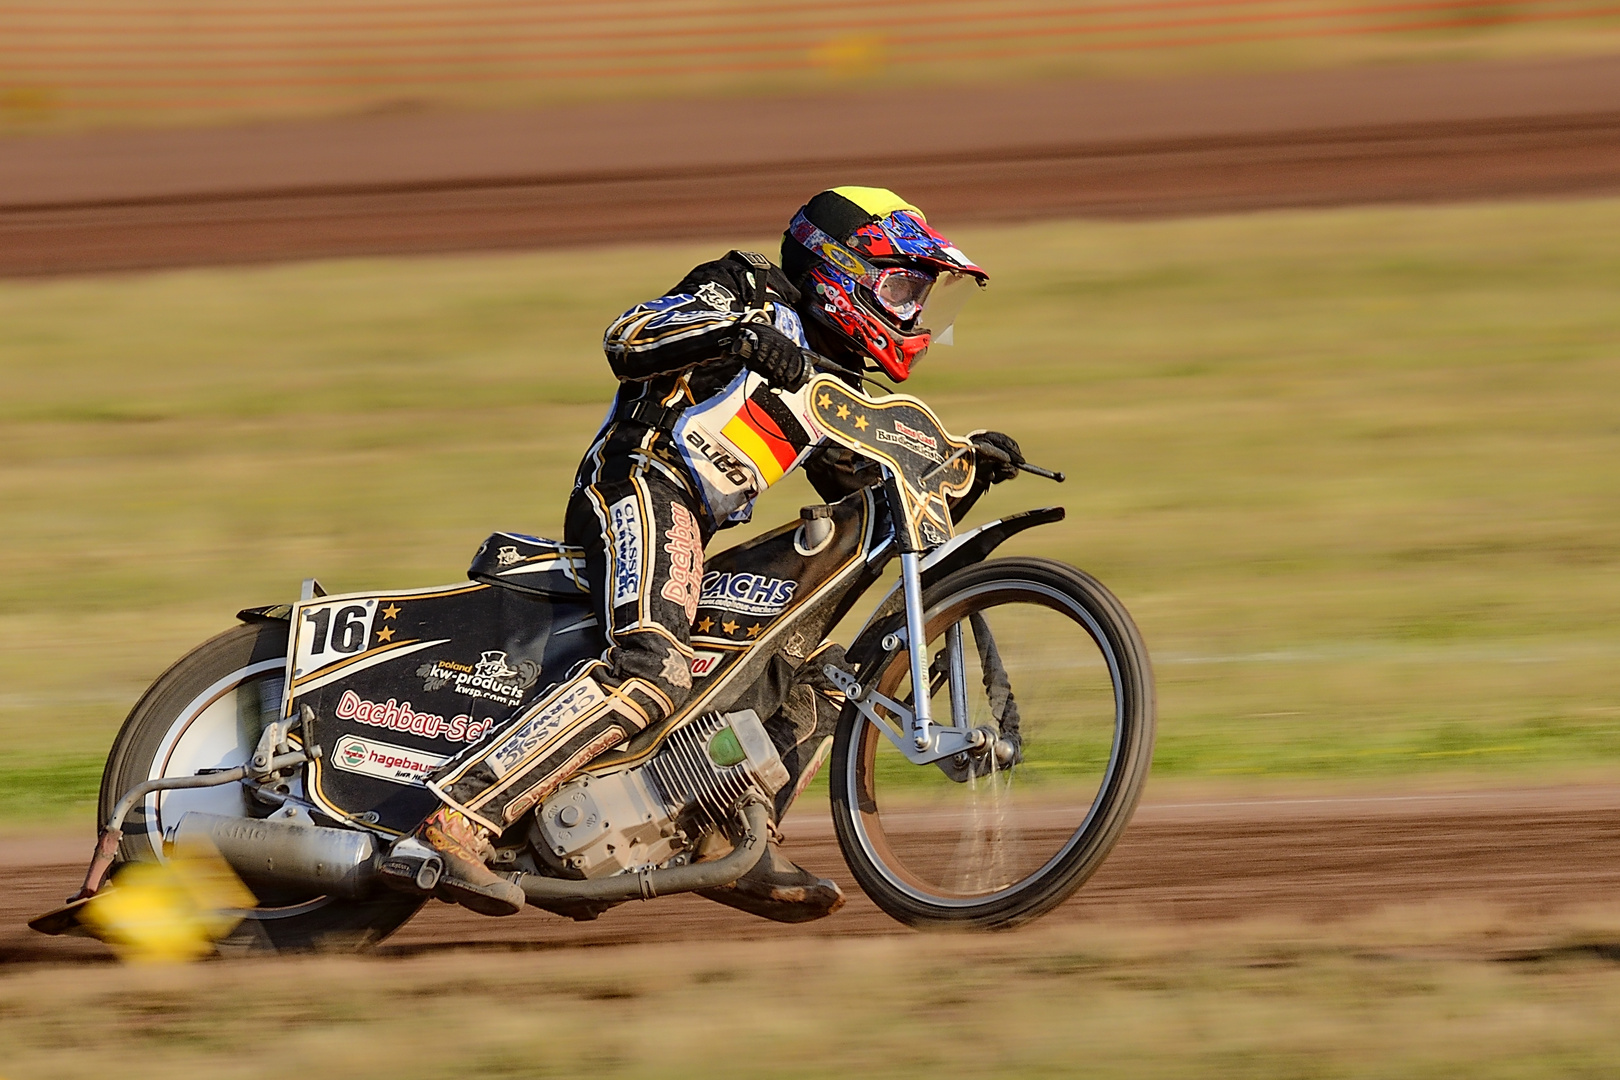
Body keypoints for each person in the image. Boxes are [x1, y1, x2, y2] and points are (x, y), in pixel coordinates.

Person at [383, 187, 1027, 920]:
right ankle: (459, 816)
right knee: (654, 669)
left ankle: (729, 838)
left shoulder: (837, 379)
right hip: (637, 481)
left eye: (921, 297)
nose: (912, 315)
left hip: (696, 523)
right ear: (842, 270)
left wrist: (961, 476)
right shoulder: (744, 286)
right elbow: (626, 339)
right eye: (903, 289)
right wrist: (739, 337)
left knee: (822, 675)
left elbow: (861, 494)